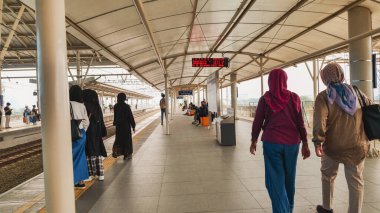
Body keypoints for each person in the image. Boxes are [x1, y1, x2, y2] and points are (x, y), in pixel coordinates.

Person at [250, 68, 310, 213]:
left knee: (275, 181)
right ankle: (288, 209)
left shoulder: (265, 99)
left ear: (270, 81)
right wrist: (305, 143)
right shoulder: (294, 97)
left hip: (272, 143)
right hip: (292, 144)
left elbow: (257, 121)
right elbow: (300, 122)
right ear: (285, 80)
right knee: (289, 178)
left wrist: (254, 140)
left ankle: (282, 211)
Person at [313, 63, 370, 213]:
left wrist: (317, 142)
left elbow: (320, 121)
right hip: (357, 145)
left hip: (333, 146)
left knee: (327, 176)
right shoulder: (356, 92)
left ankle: (327, 207)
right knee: (356, 182)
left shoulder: (324, 97)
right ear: (342, 75)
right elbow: (369, 106)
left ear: (325, 78)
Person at [83, 89, 107, 181]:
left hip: (88, 131)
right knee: (97, 152)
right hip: (97, 132)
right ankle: (100, 174)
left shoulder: (84, 106)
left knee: (88, 152)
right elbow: (101, 120)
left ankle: (89, 174)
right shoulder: (97, 106)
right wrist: (102, 131)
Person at [69, 85, 90, 188]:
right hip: (81, 134)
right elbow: (87, 121)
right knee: (80, 157)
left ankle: (70, 180)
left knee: (69, 157)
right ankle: (80, 181)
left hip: (69, 135)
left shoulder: (66, 104)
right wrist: (83, 131)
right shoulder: (82, 105)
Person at [113, 93, 136, 160]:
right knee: (127, 140)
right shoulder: (126, 106)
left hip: (119, 127)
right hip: (126, 126)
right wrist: (133, 125)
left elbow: (115, 116)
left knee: (119, 140)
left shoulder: (116, 106)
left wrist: (115, 123)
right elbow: (130, 116)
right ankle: (127, 154)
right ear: (124, 98)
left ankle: (117, 152)